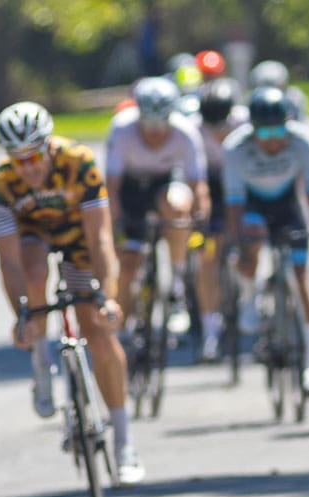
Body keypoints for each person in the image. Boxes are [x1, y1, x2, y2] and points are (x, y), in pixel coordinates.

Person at [0, 102, 145, 484]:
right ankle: (42, 360)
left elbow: (101, 238)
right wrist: (23, 316)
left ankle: (125, 443)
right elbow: (8, 262)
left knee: (97, 329)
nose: (29, 168)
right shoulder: (0, 185)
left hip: (79, 242)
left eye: (35, 156)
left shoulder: (79, 162)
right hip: (34, 239)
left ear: (50, 147)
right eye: (18, 160)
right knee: (34, 270)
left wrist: (106, 297)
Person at [222, 86, 309, 395]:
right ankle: (249, 297)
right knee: (252, 241)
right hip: (254, 207)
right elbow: (233, 203)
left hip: (288, 207)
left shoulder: (302, 142)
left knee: (301, 281)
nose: (272, 138)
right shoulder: (236, 147)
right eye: (265, 131)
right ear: (252, 129)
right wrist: (238, 242)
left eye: (279, 129)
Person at [106, 76, 210, 338]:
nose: (154, 132)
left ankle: (177, 288)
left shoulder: (185, 132)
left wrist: (199, 219)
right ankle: (121, 329)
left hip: (165, 184)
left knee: (176, 208)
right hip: (130, 189)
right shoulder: (121, 128)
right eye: (148, 124)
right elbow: (112, 188)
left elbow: (198, 185)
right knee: (128, 266)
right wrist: (115, 226)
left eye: (161, 124)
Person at [193, 77, 249, 361]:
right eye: (211, 127)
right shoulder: (193, 129)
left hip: (241, 182)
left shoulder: (245, 123)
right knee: (207, 257)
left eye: (222, 125)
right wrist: (201, 217)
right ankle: (210, 332)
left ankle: (251, 298)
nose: (217, 132)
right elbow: (197, 180)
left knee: (250, 239)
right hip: (210, 185)